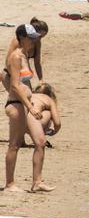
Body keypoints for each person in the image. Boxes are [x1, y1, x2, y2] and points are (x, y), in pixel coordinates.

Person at [3, 22, 52, 192]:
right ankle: (10, 184)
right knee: (14, 145)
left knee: (40, 142)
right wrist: (30, 107)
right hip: (17, 104)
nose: (33, 41)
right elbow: (15, 85)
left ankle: (37, 182)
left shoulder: (24, 55)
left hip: (26, 104)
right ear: (22, 38)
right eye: (31, 38)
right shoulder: (15, 57)